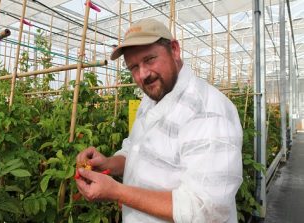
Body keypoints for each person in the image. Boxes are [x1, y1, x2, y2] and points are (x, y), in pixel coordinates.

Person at [75, 18, 243, 223]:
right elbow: (135, 150)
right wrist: (109, 163)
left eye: (150, 59)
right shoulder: (152, 98)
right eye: (134, 67)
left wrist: (117, 192)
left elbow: (206, 210)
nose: (143, 74)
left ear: (174, 49)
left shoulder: (207, 110)